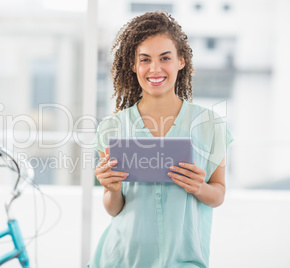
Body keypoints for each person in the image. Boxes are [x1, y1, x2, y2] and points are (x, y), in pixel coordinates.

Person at [89, 11, 234, 268]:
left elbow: (219, 193)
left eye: (165, 58)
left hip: (184, 261)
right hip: (121, 260)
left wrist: (198, 187)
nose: (155, 69)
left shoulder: (210, 125)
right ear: (133, 65)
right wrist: (111, 189)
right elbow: (114, 208)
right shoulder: (112, 128)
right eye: (145, 59)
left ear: (181, 61)